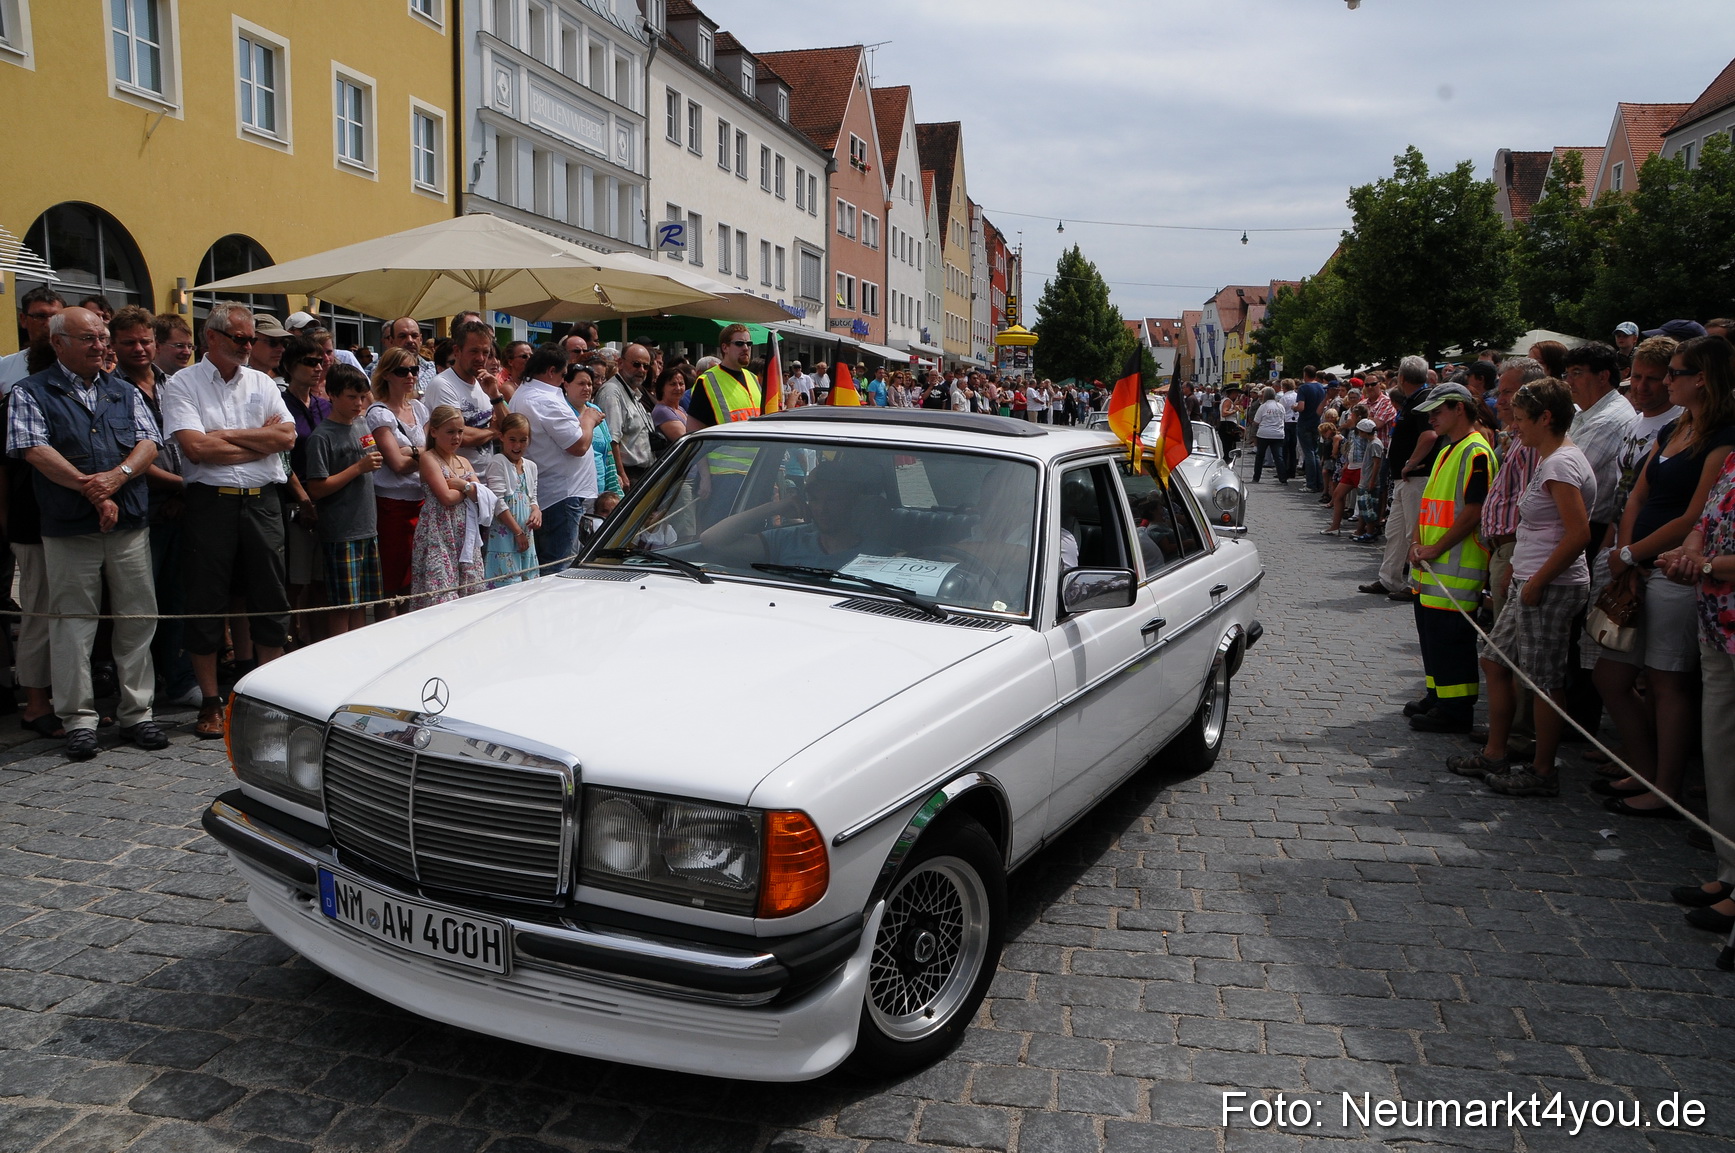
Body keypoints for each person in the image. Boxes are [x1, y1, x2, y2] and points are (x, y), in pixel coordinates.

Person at [9, 306, 164, 759]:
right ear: (59, 344)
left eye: (102, 338)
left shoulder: (123, 390)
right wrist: (91, 489)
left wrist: (117, 477)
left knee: (137, 619)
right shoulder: (31, 391)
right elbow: (33, 448)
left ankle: (138, 713)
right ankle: (78, 719)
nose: (100, 346)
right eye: (89, 339)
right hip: (68, 526)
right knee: (72, 624)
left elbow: (150, 442)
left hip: (128, 523)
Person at [1595, 336, 1735, 817]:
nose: (1665, 381)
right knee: (1613, 674)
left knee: (1665, 682)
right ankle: (1642, 767)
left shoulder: (1723, 437)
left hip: (1675, 571)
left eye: (1674, 373)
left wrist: (1632, 554)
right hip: (1639, 563)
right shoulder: (1677, 426)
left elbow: (1694, 515)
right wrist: (1627, 556)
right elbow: (1639, 494)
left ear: (1703, 378)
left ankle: (1666, 787)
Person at [1448, 379, 1595, 797]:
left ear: (1545, 418)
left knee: (1543, 680)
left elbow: (1578, 534)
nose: (1514, 427)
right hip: (1528, 577)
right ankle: (1496, 752)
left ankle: (1543, 770)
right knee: (1495, 661)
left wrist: (1539, 579)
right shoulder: (1548, 458)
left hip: (1550, 584)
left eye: (1521, 419)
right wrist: (1516, 567)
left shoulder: (1560, 464)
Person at [162, 302, 296, 738]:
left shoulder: (262, 382)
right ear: (212, 337)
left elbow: (287, 437)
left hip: (262, 501)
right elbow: (196, 449)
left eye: (252, 338)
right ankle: (210, 701)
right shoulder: (183, 384)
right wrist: (259, 444)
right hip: (210, 504)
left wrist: (227, 436)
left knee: (271, 599)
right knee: (206, 600)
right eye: (240, 338)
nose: (248, 346)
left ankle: (271, 700)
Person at [1658, 452, 1735, 933]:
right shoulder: (1730, 462)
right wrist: (1689, 554)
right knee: (1720, 756)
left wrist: (1704, 564)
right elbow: (1703, 521)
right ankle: (1729, 871)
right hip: (1716, 626)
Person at [110, 306, 196, 710]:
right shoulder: (111, 389)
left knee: (179, 596)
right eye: (129, 342)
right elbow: (129, 457)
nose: (139, 348)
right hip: (144, 507)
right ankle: (142, 685)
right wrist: (183, 487)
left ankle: (178, 678)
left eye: (145, 341)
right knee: (142, 604)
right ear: (114, 345)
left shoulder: (171, 383)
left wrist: (184, 491)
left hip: (183, 503)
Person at [1405, 382, 1497, 734]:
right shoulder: (1447, 449)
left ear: (1460, 408)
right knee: (1433, 638)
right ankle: (1438, 695)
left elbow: (1474, 511)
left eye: (1438, 411)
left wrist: (1434, 548)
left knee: (1452, 641)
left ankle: (1456, 710)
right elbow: (1430, 504)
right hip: (1431, 564)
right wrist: (1417, 542)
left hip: (1455, 566)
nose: (1432, 418)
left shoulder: (1476, 451)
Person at [304, 366, 384, 636]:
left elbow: (371, 452)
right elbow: (316, 488)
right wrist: (358, 468)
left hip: (367, 527)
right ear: (332, 395)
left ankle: (358, 650)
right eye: (351, 397)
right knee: (342, 605)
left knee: (362, 602)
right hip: (341, 532)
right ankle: (340, 652)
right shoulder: (322, 436)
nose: (358, 403)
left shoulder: (361, 424)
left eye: (362, 397)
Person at [509, 345, 600, 571]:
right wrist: (588, 420)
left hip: (553, 494)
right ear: (551, 371)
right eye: (563, 374)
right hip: (561, 496)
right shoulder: (543, 400)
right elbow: (578, 445)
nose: (563, 380)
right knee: (559, 567)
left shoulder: (524, 393)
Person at [1363, 356, 1438, 598]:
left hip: (1416, 476)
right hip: (1405, 479)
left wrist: (1411, 463)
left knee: (1414, 531)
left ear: (1402, 378)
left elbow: (1429, 435)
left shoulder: (1422, 401)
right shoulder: (1414, 400)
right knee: (1396, 531)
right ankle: (1389, 579)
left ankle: (1416, 583)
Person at [278, 333, 332, 644]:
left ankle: (316, 641)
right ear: (289, 366)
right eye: (310, 362)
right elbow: (281, 458)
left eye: (321, 361)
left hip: (327, 499)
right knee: (295, 579)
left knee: (321, 579)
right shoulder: (280, 404)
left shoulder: (325, 405)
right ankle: (287, 639)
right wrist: (303, 499)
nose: (318, 367)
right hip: (294, 502)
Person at [366, 347, 429, 612]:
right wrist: (421, 454)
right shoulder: (378, 413)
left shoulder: (420, 409)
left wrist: (410, 451)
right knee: (391, 580)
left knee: (415, 578)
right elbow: (397, 464)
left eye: (414, 370)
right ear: (387, 374)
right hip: (392, 505)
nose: (410, 376)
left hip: (420, 502)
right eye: (403, 371)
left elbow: (435, 452)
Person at [409, 406, 485, 610]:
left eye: (460, 431)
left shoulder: (464, 461)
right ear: (434, 432)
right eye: (450, 432)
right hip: (439, 531)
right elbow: (446, 497)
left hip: (465, 533)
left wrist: (462, 486)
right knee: (441, 587)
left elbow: (481, 494)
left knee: (469, 587)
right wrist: (468, 488)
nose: (456, 437)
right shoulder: (429, 458)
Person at [424, 319, 504, 462]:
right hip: (456, 473)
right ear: (457, 351)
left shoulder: (485, 382)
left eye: (485, 352)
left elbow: (510, 428)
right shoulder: (443, 384)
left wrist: (495, 396)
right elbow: (459, 436)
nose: (480, 358)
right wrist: (494, 431)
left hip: (489, 472)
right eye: (474, 351)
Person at [483, 412, 540, 587]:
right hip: (507, 536)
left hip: (525, 536)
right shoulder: (498, 462)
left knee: (527, 583)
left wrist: (536, 511)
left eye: (523, 440)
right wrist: (517, 532)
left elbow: (532, 497)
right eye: (512, 440)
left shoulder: (531, 466)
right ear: (502, 437)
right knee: (507, 583)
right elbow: (498, 502)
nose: (517, 445)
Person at [598, 343, 655, 489]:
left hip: (643, 473)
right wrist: (621, 474)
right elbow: (612, 439)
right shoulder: (612, 392)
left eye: (646, 366)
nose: (641, 370)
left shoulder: (633, 392)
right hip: (628, 475)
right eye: (636, 364)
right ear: (620, 363)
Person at [568, 364, 622, 516]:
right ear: (566, 384)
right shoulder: (563, 412)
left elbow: (607, 451)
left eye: (589, 384)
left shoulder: (595, 410)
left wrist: (614, 480)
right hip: (576, 493)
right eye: (581, 383)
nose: (586, 388)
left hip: (600, 491)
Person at [0, 287, 65, 394]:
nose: (49, 324)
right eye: (40, 316)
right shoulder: (5, 367)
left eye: (56, 317)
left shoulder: (82, 365)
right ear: (23, 320)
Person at [382, 316, 437, 397]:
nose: (410, 340)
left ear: (421, 340)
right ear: (391, 341)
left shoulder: (434, 369)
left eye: (414, 335)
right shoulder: (383, 370)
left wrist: (419, 394)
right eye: (402, 336)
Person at [1296, 366, 1327, 492]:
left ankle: (1311, 484)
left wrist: (1294, 407)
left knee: (1308, 453)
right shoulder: (1321, 387)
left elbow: (1301, 407)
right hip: (1317, 422)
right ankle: (1319, 482)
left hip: (1305, 422)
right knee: (1315, 453)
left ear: (1305, 374)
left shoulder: (1303, 388)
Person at [1250, 386, 1287, 483]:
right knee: (1278, 457)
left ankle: (1256, 477)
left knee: (1260, 456)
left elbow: (1256, 421)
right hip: (1278, 434)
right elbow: (1284, 419)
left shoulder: (1263, 407)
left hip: (1264, 434)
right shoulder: (1280, 406)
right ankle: (1283, 478)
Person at [650, 367, 688, 454]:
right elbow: (686, 440)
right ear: (662, 387)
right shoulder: (662, 411)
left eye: (681, 384)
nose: (678, 388)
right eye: (673, 384)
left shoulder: (680, 409)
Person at [154, 313, 195, 378]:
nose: (187, 352)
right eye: (180, 346)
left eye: (190, 346)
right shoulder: (143, 381)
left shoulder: (192, 380)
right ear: (157, 346)